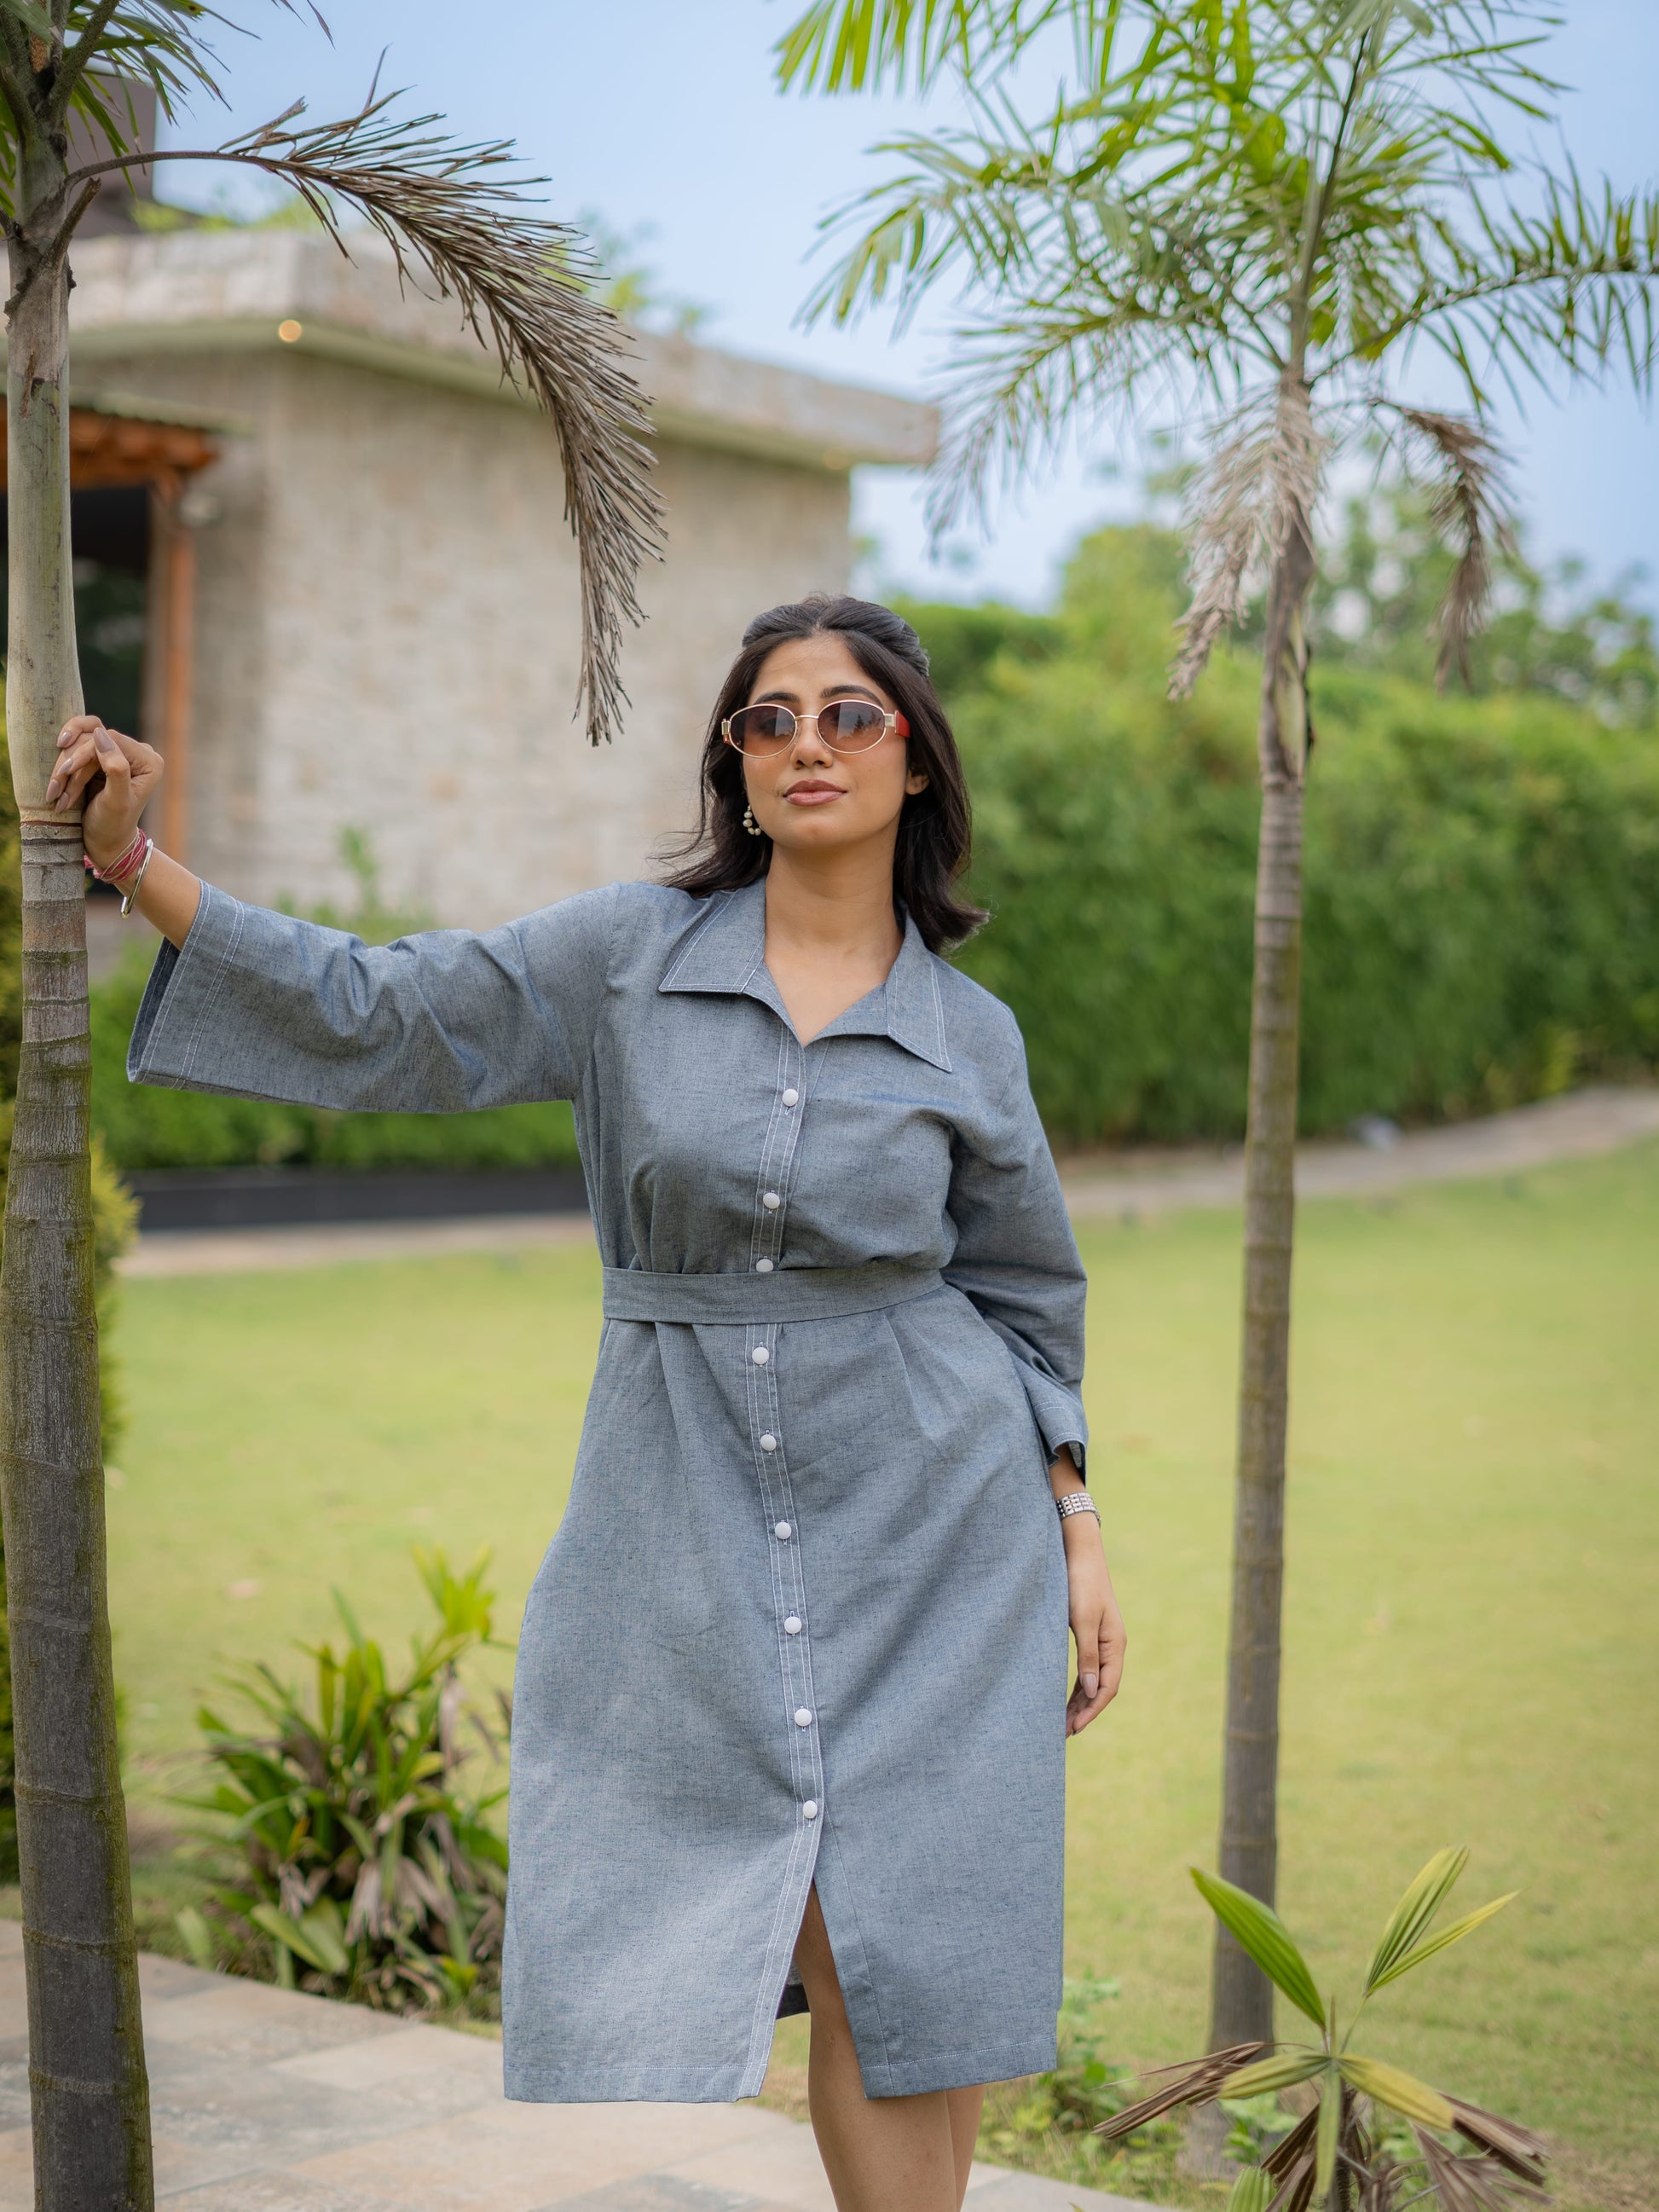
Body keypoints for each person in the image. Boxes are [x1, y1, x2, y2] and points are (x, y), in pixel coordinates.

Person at [52, 593, 1127, 2212]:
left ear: (915, 762)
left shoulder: (973, 1036)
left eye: (850, 715)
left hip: (940, 1539)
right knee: (821, 1915)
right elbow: (384, 1009)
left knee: (905, 1957)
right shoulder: (624, 960)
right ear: (734, 765)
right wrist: (138, 866)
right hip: (683, 1514)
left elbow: (1026, 1298)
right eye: (770, 719)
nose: (807, 745)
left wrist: (1077, 1520)